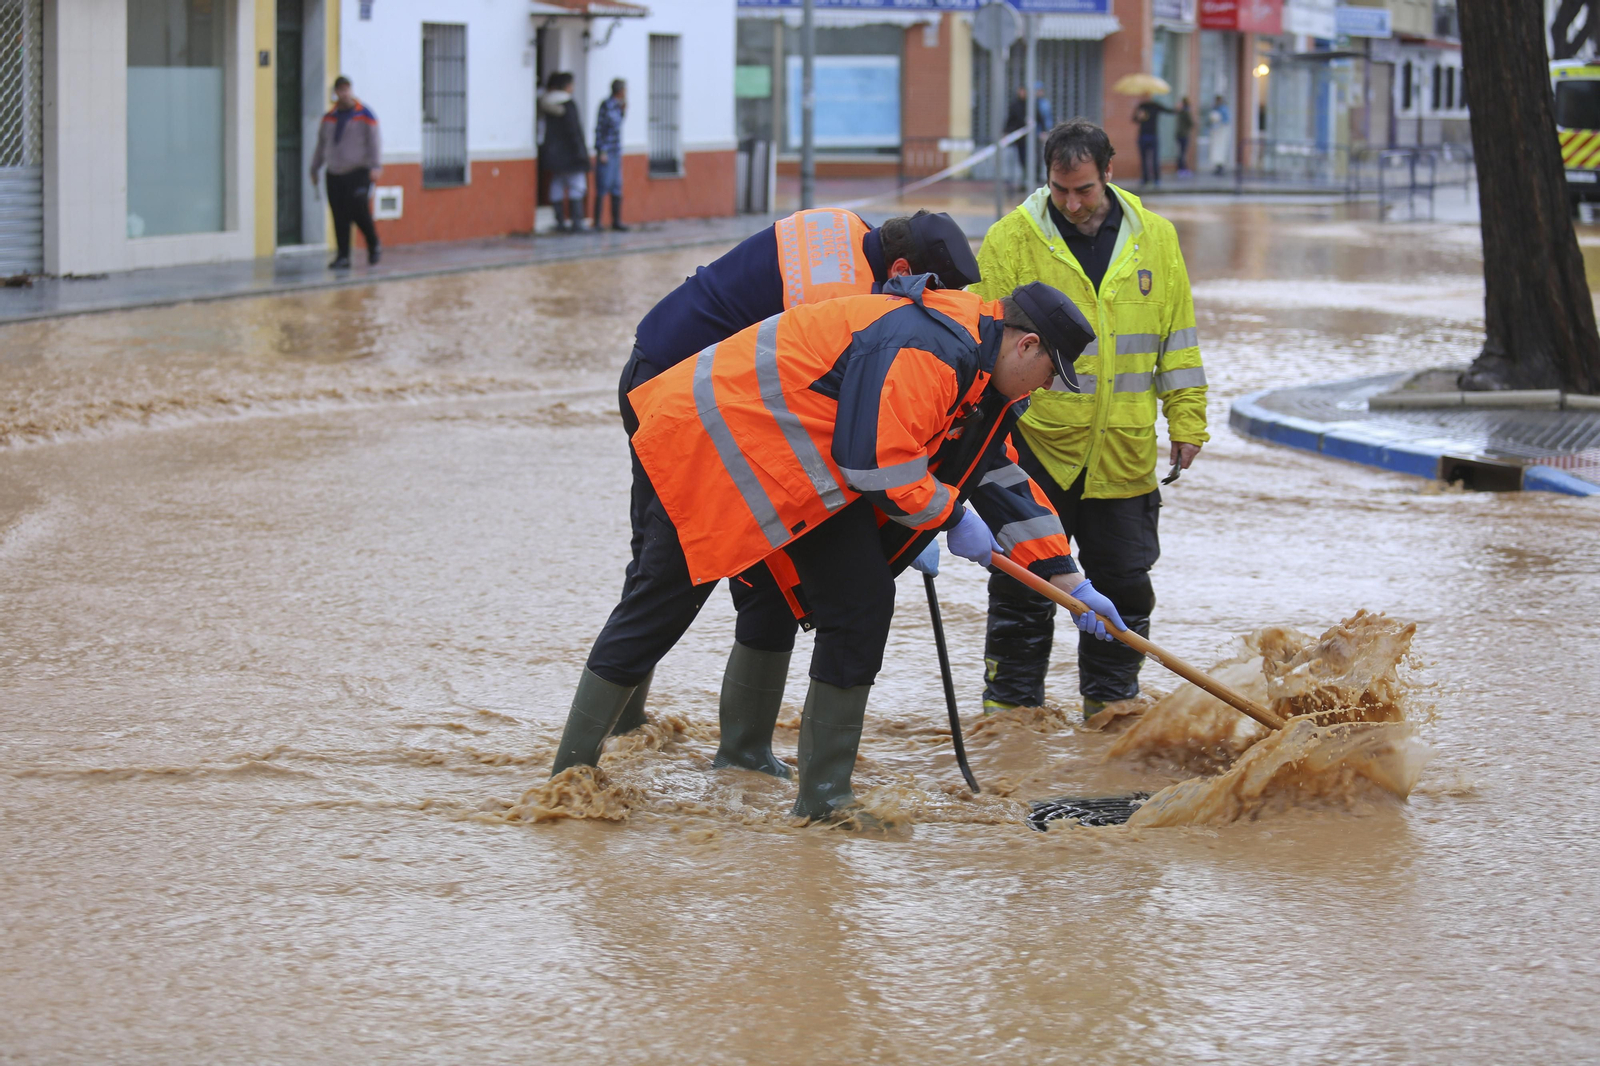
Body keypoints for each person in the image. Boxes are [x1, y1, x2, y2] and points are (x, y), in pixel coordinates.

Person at [552, 275, 1115, 825]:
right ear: (1027, 344)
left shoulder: (976, 369)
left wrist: (1069, 581)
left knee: (855, 601)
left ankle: (810, 791)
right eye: (1049, 374)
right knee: (664, 601)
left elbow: (996, 473)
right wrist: (949, 515)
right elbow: (877, 465)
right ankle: (568, 783)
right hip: (711, 443)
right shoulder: (933, 349)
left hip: (795, 469)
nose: (1044, 390)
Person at [611, 209, 1074, 781]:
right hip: (681, 396)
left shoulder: (851, 237)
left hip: (721, 397)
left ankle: (738, 754)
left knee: (765, 584)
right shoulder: (851, 302)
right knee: (675, 570)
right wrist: (915, 502)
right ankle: (623, 727)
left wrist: (1054, 567)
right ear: (900, 268)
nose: (928, 301)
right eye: (925, 288)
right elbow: (829, 423)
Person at [969, 119, 1209, 721]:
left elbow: (1177, 341)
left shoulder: (1156, 239)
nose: (1071, 203)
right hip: (1036, 446)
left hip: (1122, 453)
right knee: (1026, 587)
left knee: (1124, 585)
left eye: (1083, 189)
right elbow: (978, 345)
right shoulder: (1010, 240)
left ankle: (1111, 709)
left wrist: (1188, 422)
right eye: (1059, 189)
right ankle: (1009, 718)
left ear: (1109, 172)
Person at [309, 76, 381, 269]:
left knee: (359, 209)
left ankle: (373, 243)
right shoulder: (329, 118)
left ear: (351, 90)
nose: (344, 93)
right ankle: (343, 256)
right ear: (336, 93)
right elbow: (321, 145)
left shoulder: (365, 115)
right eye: (340, 90)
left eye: (346, 89)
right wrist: (315, 167)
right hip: (334, 173)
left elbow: (374, 142)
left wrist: (375, 166)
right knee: (339, 215)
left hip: (358, 171)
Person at [539, 72, 590, 233]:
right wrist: (581, 154)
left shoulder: (545, 103)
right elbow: (574, 131)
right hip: (571, 156)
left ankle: (560, 221)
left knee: (557, 185)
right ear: (567, 86)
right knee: (577, 186)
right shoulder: (569, 105)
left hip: (554, 155)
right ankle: (576, 222)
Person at [593, 79, 627, 232]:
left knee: (616, 186)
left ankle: (616, 221)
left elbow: (619, 124)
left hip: (616, 150)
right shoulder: (606, 105)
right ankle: (597, 222)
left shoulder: (620, 106)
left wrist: (624, 109)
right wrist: (601, 150)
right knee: (602, 185)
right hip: (606, 151)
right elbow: (600, 128)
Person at [1005, 83, 1054, 184]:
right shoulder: (1015, 105)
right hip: (1020, 139)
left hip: (1032, 137)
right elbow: (1010, 119)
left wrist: (1044, 131)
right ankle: (1025, 179)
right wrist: (1006, 131)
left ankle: (1035, 177)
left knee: (1035, 158)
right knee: (1022, 159)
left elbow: (1040, 118)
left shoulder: (1032, 104)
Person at [1131, 98, 1172, 187]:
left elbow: (1169, 111)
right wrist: (1139, 116)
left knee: (1155, 159)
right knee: (1143, 159)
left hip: (1153, 136)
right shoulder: (1142, 106)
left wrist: (1179, 108)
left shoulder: (1155, 106)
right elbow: (1134, 119)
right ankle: (1145, 179)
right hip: (1143, 136)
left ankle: (1156, 179)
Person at [1207, 94, 1233, 176]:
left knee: (1220, 149)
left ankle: (1220, 167)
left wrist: (1218, 122)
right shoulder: (1215, 108)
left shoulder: (1223, 109)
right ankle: (1218, 166)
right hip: (1216, 132)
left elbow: (1226, 121)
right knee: (1216, 150)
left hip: (1221, 132)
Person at [1175, 97, 1194, 177]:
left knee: (1181, 152)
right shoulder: (1186, 112)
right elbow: (1191, 123)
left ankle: (1181, 168)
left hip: (1179, 134)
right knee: (1183, 153)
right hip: (1184, 134)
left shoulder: (1180, 112)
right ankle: (1182, 169)